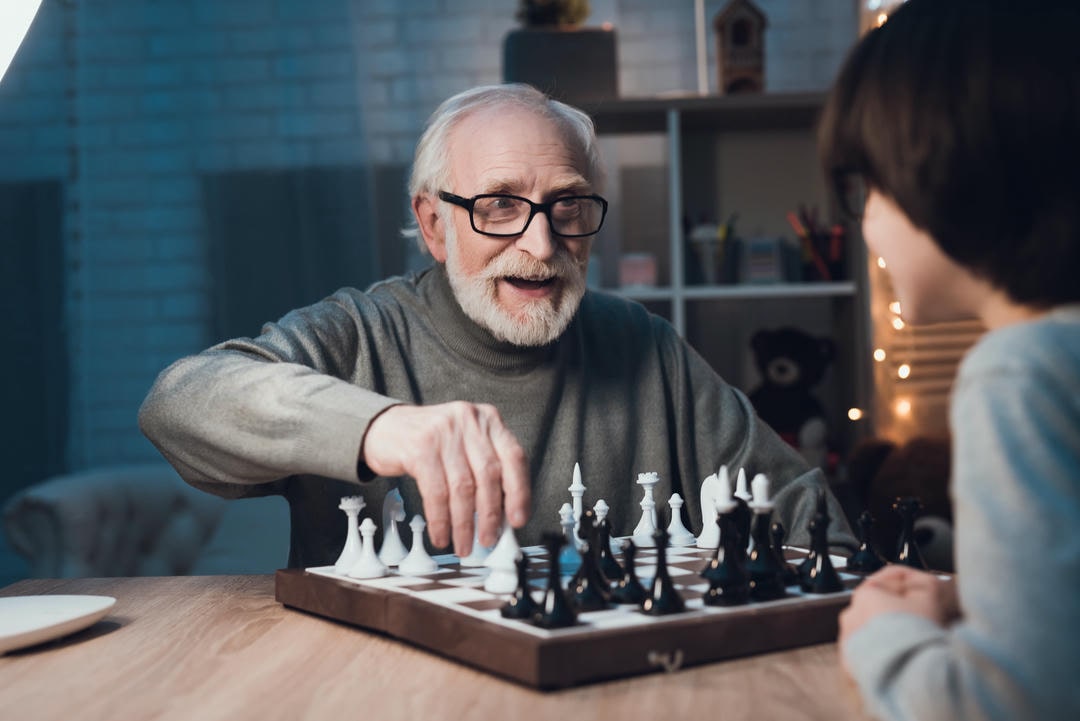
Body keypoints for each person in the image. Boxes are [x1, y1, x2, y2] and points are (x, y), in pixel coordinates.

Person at [139, 83, 854, 568]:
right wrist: (378, 427)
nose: (541, 247)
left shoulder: (647, 348)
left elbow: (802, 512)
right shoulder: (359, 333)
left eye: (568, 204)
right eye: (501, 206)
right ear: (434, 224)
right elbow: (176, 404)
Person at [819, 1, 1080, 719]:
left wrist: (883, 635)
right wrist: (972, 593)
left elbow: (1007, 704)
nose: (861, 219)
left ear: (943, 161)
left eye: (862, 187)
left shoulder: (1018, 376)